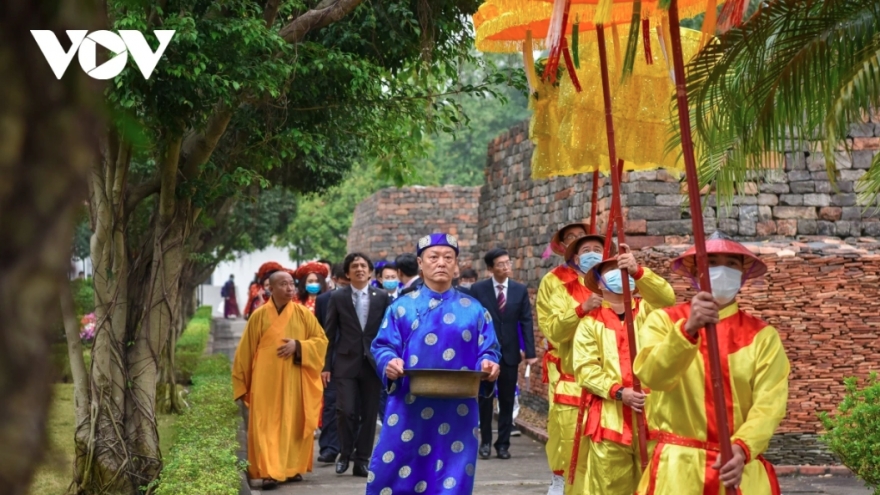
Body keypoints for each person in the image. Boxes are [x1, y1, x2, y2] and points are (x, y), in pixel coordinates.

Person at [634, 231, 790, 495]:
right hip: (678, 471)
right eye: (712, 262)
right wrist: (688, 330)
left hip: (738, 469)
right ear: (696, 271)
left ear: (742, 274)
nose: (722, 270)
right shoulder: (663, 321)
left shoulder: (762, 336)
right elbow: (652, 376)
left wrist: (742, 448)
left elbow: (770, 404)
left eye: (731, 264)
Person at [367, 233, 501, 495]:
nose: (441, 263)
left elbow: (490, 349)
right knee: (396, 468)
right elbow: (382, 345)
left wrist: (489, 364)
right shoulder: (401, 307)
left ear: (456, 265)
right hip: (408, 404)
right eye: (434, 257)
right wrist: (389, 362)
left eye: (448, 257)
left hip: (459, 408)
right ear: (420, 262)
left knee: (453, 474)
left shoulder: (475, 309)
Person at [571, 241, 676, 495]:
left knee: (657, 485)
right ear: (599, 281)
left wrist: (639, 271)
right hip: (610, 420)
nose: (619, 273)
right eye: (611, 270)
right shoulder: (590, 324)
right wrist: (620, 392)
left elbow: (667, 298)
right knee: (607, 487)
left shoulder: (649, 312)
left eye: (622, 269)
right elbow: (585, 370)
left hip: (654, 416)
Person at [232, 269, 328, 490]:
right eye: (283, 284)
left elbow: (321, 341)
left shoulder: (303, 314)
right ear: (271, 288)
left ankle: (290, 468)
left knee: (292, 423)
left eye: (291, 284)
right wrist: (241, 381)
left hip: (295, 379)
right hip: (265, 380)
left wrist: (299, 346)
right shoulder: (259, 316)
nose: (289, 288)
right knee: (265, 424)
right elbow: (245, 351)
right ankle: (269, 472)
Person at [535, 222, 605, 495]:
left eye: (591, 245)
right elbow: (553, 330)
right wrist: (582, 309)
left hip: (607, 371)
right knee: (565, 431)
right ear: (568, 250)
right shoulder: (554, 281)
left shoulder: (609, 277)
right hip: (568, 370)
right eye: (574, 240)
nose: (583, 247)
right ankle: (560, 478)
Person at [323, 253, 392, 477]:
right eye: (355, 266)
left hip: (373, 363)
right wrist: (326, 366)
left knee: (370, 414)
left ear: (371, 272)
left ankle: (362, 460)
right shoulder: (338, 297)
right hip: (345, 362)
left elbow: (388, 332)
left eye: (363, 265)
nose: (359, 269)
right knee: (346, 411)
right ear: (347, 273)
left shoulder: (382, 296)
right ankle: (345, 452)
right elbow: (329, 334)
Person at [469, 247, 536, 460]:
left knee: (507, 400)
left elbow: (526, 321)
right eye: (501, 264)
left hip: (510, 353)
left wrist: (530, 351)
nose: (506, 267)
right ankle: (486, 442)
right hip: (485, 354)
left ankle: (503, 444)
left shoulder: (519, 290)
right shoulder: (478, 290)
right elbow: (472, 320)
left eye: (508, 262)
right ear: (490, 268)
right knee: (485, 399)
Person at [315, 263, 348, 464]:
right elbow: (321, 334)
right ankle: (329, 447)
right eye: (343, 283)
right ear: (334, 279)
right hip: (332, 360)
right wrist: (324, 365)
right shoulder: (323, 300)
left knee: (355, 407)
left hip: (357, 359)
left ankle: (351, 448)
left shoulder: (370, 298)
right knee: (331, 405)